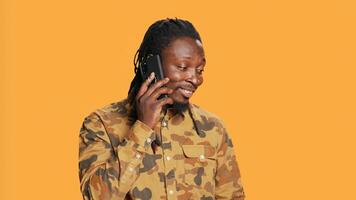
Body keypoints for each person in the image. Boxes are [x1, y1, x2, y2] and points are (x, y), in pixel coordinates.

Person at [79, 18, 245, 200]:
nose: (195, 79)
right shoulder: (101, 124)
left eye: (200, 70)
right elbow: (97, 197)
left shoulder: (213, 128)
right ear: (152, 66)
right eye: (182, 67)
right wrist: (142, 128)